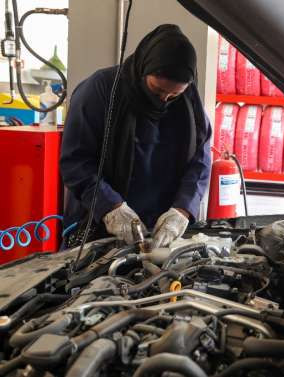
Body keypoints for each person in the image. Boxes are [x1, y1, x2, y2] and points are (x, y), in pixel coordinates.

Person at [60, 24, 211, 249]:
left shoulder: (189, 103)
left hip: (160, 231)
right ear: (144, 69)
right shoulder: (100, 90)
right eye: (157, 90)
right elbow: (76, 161)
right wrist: (111, 207)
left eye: (173, 96)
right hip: (100, 224)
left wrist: (182, 209)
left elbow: (200, 160)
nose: (163, 100)